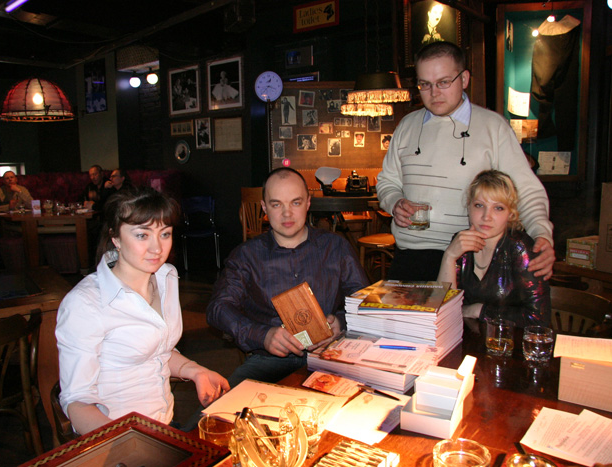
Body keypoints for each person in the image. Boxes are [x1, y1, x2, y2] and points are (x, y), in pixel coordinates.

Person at [376, 41, 555, 282]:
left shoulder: (493, 127)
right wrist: (394, 202)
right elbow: (387, 181)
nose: (434, 93)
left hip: (473, 261)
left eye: (443, 82)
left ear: (464, 79)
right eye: (425, 84)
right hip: (409, 258)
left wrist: (542, 234)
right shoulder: (407, 125)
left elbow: (526, 190)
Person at [56, 187, 229, 435]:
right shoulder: (85, 303)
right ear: (115, 237)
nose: (157, 248)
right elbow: (77, 401)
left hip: (165, 426)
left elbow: (157, 352)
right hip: (119, 438)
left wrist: (195, 371)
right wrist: (128, 445)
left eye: (165, 234)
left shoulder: (166, 276)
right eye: (142, 235)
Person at [206, 168, 368, 388]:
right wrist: (262, 335)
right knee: (223, 407)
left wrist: (341, 321)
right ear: (264, 207)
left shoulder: (335, 246)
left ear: (308, 203)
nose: (287, 214)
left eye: (295, 203)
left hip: (332, 354)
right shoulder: (246, 256)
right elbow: (218, 308)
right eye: (276, 204)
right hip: (269, 361)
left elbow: (363, 300)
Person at [437, 170, 550, 327]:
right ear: (468, 206)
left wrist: (480, 311)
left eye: (498, 208)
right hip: (468, 338)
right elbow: (443, 312)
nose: (486, 216)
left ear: (510, 213)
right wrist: (449, 256)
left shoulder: (520, 248)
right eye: (479, 205)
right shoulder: (460, 241)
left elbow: (539, 319)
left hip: (510, 339)